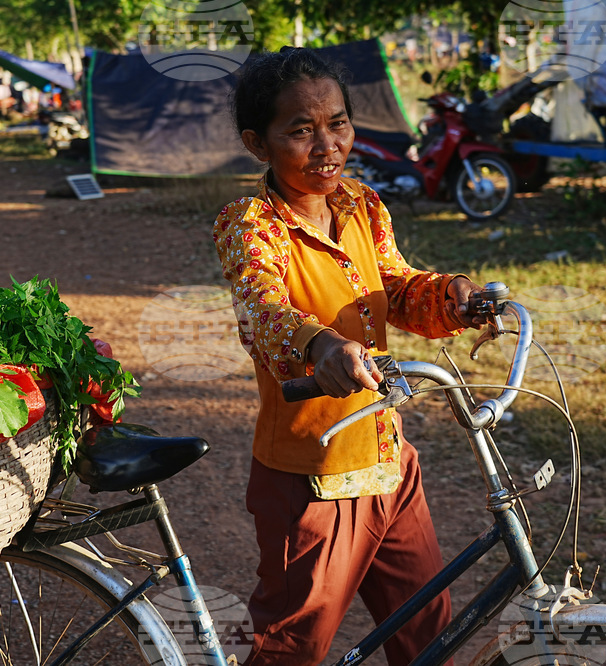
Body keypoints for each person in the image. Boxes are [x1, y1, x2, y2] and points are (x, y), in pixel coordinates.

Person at [213, 47, 488, 665]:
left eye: (337, 123)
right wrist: (322, 344)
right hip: (313, 477)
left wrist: (454, 297)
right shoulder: (250, 223)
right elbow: (263, 314)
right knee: (292, 651)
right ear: (259, 144)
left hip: (390, 461)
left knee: (428, 638)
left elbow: (393, 288)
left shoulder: (361, 205)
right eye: (301, 131)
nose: (327, 146)